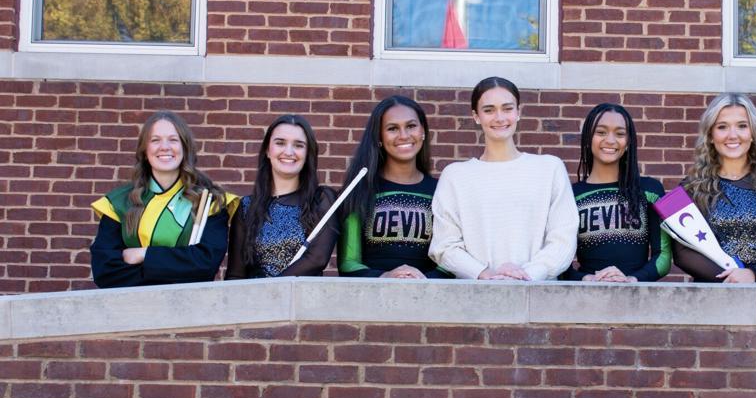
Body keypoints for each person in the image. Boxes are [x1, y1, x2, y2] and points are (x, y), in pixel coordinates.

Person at [429, 77, 578, 280]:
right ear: (476, 116)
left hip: (538, 298)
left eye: (507, 108)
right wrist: (485, 275)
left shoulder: (549, 169)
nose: (499, 117)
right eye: (489, 110)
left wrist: (527, 275)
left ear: (519, 112)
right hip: (475, 298)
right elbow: (444, 245)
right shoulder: (455, 176)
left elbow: (563, 239)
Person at [90, 111, 231, 288]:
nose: (164, 147)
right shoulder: (119, 203)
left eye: (173, 139)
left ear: (185, 147)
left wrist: (144, 254)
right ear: (144, 149)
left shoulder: (209, 201)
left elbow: (206, 265)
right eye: (155, 140)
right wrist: (181, 266)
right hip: (132, 309)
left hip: (190, 309)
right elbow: (105, 272)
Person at [676, 93, 756, 283]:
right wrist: (731, 280)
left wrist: (754, 274)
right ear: (710, 135)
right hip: (712, 294)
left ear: (753, 133)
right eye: (722, 127)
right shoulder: (689, 187)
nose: (733, 135)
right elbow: (682, 253)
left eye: (742, 126)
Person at [338, 96, 448, 279]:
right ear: (379, 137)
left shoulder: (442, 192)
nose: (403, 135)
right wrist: (385, 277)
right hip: (372, 301)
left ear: (423, 132)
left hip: (429, 300)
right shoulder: (359, 191)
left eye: (411, 126)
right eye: (392, 128)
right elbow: (347, 263)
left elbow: (450, 260)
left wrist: (424, 279)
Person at [563, 103, 671, 282]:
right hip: (584, 298)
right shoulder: (570, 196)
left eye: (620, 133)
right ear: (588, 138)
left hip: (637, 298)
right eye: (601, 132)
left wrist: (632, 280)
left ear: (628, 142)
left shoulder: (651, 190)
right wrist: (585, 279)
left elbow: (664, 257)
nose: (611, 140)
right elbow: (558, 260)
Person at [226, 115, 337, 279]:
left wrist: (274, 289)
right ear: (267, 151)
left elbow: (317, 259)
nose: (289, 152)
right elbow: (235, 275)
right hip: (255, 302)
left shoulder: (321, 199)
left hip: (302, 301)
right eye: (280, 143)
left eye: (298, 145)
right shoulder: (246, 207)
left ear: (307, 154)